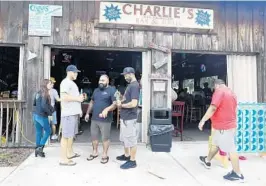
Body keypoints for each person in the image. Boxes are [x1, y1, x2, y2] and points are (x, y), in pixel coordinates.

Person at [198, 79, 244, 182]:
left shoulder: (219, 91)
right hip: (227, 124)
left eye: (214, 88)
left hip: (224, 126)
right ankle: (207, 160)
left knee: (231, 149)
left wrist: (202, 120)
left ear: (216, 85)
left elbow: (213, 108)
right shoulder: (232, 93)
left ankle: (238, 174)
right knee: (216, 144)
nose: (214, 89)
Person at [84, 75, 116, 164]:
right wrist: (87, 113)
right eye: (100, 80)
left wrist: (106, 109)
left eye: (103, 80)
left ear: (107, 81)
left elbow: (115, 104)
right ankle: (95, 152)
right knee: (94, 137)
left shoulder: (112, 90)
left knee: (105, 138)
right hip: (94, 118)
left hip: (105, 120)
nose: (101, 82)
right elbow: (92, 102)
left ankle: (105, 154)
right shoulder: (96, 90)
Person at [59, 65, 84, 166]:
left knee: (71, 135)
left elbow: (73, 97)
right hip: (68, 114)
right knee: (65, 136)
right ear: (69, 72)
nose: (76, 74)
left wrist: (79, 109)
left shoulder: (71, 83)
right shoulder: (65, 82)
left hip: (73, 113)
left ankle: (70, 153)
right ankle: (63, 159)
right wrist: (78, 99)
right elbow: (64, 97)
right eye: (75, 72)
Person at [116, 67, 140, 169]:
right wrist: (120, 99)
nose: (125, 77)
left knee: (131, 140)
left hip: (130, 118)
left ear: (131, 74)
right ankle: (126, 156)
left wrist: (121, 106)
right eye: (124, 75)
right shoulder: (130, 85)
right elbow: (127, 100)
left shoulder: (134, 86)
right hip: (125, 117)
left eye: (126, 75)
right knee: (125, 138)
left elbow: (134, 103)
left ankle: (133, 161)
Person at [33, 79, 54, 157]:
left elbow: (34, 103)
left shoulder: (37, 93)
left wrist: (51, 108)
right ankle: (40, 148)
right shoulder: (45, 94)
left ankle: (37, 150)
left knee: (39, 132)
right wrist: (50, 113)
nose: (52, 85)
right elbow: (44, 106)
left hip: (35, 115)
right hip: (42, 116)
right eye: (50, 84)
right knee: (48, 131)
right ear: (45, 84)